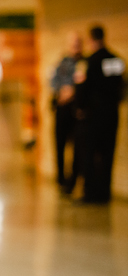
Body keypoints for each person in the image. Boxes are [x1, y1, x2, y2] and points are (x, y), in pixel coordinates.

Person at [76, 25, 124, 203]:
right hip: (111, 115)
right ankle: (104, 192)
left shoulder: (89, 61)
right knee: (107, 154)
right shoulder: (115, 60)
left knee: (88, 155)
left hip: (92, 116)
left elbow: (83, 88)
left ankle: (90, 192)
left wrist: (80, 108)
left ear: (91, 39)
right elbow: (119, 86)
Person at [50, 33, 84, 190]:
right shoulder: (61, 63)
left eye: (78, 43)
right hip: (62, 108)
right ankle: (60, 178)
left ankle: (73, 179)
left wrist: (73, 91)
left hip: (76, 109)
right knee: (59, 144)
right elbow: (52, 81)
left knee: (78, 146)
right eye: (73, 44)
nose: (75, 47)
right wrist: (61, 92)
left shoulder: (85, 63)